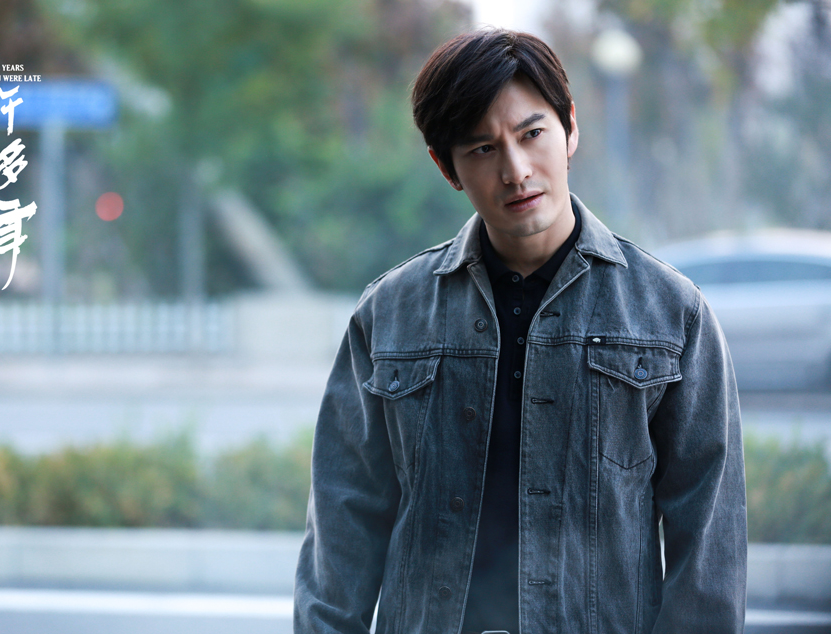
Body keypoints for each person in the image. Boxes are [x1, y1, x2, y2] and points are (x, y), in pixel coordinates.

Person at [294, 28, 746, 634]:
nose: (515, 170)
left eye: (531, 134)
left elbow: (708, 549)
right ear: (446, 166)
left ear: (570, 128)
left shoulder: (670, 312)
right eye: (482, 148)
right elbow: (342, 527)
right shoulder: (389, 314)